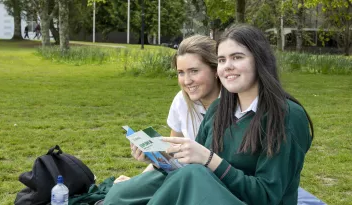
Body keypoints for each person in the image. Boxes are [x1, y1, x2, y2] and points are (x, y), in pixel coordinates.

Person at [104, 24, 314, 205]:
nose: (228, 66)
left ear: (259, 60)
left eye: (237, 57)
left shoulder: (287, 116)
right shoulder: (219, 108)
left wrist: (209, 159)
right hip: (209, 191)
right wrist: (159, 156)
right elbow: (193, 165)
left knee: (192, 174)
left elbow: (267, 196)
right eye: (222, 60)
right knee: (120, 195)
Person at [114, 35, 221, 183]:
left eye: (194, 71)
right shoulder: (181, 101)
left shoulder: (235, 105)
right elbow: (173, 156)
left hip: (214, 185)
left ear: (216, 70)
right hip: (185, 179)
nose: (187, 81)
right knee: (122, 190)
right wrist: (151, 160)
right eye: (181, 72)